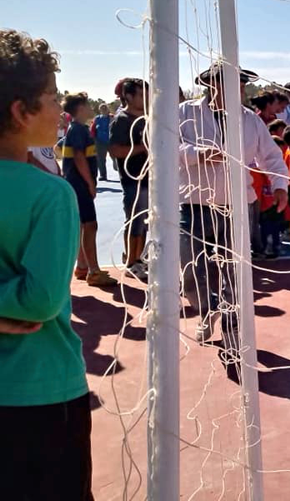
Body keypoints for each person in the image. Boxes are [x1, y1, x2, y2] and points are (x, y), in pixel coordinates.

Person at [0, 29, 94, 501]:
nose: (61, 109)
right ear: (21, 111)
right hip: (40, 392)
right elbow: (39, 302)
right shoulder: (51, 194)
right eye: (53, 98)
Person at [178, 62, 289, 350]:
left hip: (238, 204)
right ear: (212, 84)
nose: (240, 88)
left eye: (241, 83)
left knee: (234, 270)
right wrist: (197, 153)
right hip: (194, 203)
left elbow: (272, 156)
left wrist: (280, 186)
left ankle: (231, 329)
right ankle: (206, 310)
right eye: (233, 83)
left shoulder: (250, 119)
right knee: (190, 266)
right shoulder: (185, 112)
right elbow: (164, 146)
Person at [60, 93, 118, 287]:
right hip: (80, 185)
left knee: (83, 224)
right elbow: (78, 156)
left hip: (76, 182)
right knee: (90, 225)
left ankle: (82, 266)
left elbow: (58, 148)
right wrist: (90, 184)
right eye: (87, 105)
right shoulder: (78, 129)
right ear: (80, 108)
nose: (91, 108)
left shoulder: (76, 129)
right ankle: (93, 271)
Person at [109, 78, 150, 281]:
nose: (146, 98)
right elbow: (115, 150)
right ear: (129, 96)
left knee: (146, 222)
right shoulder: (121, 120)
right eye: (142, 94)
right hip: (133, 179)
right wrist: (143, 148)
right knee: (135, 221)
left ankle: (139, 259)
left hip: (151, 179)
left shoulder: (149, 117)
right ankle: (131, 262)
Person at [91, 103, 111, 181]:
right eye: (102, 108)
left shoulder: (112, 118)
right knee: (101, 159)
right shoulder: (97, 118)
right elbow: (92, 129)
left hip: (111, 140)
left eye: (105, 108)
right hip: (100, 141)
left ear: (107, 109)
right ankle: (103, 175)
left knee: (115, 158)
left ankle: (118, 169)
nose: (103, 110)